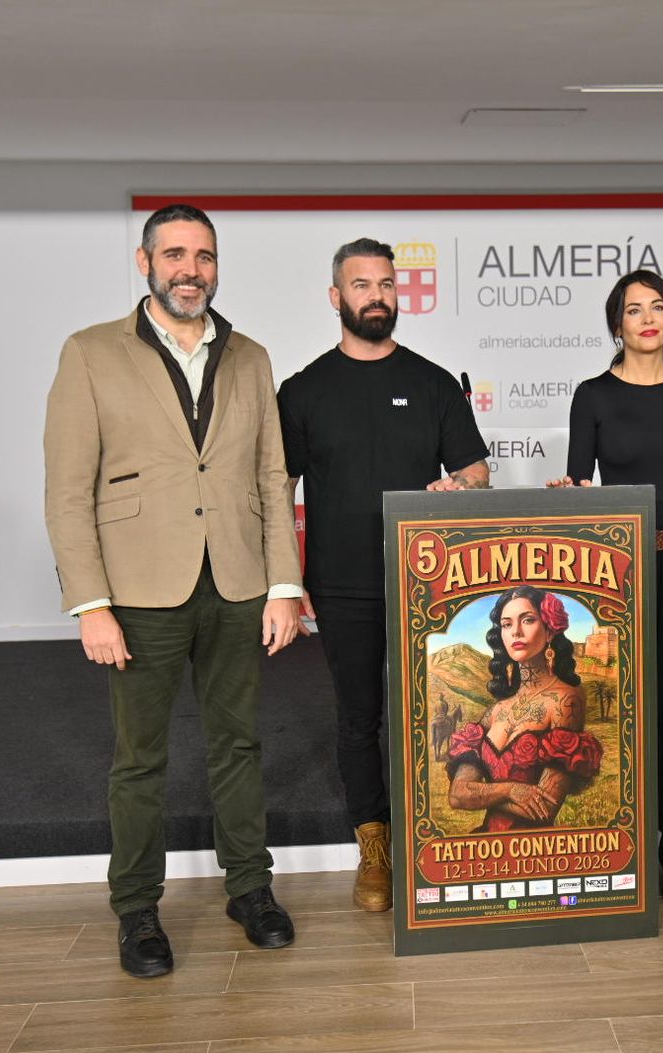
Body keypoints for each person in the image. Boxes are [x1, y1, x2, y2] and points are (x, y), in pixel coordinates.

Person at [44, 204, 301, 977]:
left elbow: (269, 474)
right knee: (140, 759)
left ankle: (250, 889)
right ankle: (137, 911)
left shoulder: (250, 355)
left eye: (205, 256)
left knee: (239, 744)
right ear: (145, 260)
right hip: (137, 590)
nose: (192, 269)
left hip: (237, 583)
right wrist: (91, 604)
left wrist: (284, 584)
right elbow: (66, 491)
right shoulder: (90, 352)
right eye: (177, 253)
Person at [277, 238, 490, 912]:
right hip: (342, 581)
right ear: (336, 298)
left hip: (434, 585)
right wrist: (287, 578)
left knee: (443, 712)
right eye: (361, 284)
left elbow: (477, 471)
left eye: (386, 284)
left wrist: (459, 486)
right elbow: (277, 488)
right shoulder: (303, 390)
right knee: (359, 717)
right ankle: (375, 849)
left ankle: (445, 837)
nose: (376, 295)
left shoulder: (432, 382)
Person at [550, 269, 663, 905]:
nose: (647, 318)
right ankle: (619, 832)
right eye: (633, 310)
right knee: (622, 704)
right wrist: (567, 501)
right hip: (619, 576)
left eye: (658, 308)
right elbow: (577, 486)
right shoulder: (591, 395)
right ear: (616, 323)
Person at [446, 586, 603, 831]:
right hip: (486, 848)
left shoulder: (564, 700)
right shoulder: (496, 711)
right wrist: (512, 789)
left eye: (527, 620)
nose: (516, 632)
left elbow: (545, 807)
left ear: (549, 629)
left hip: (534, 849)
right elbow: (457, 795)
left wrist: (481, 795)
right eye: (506, 625)